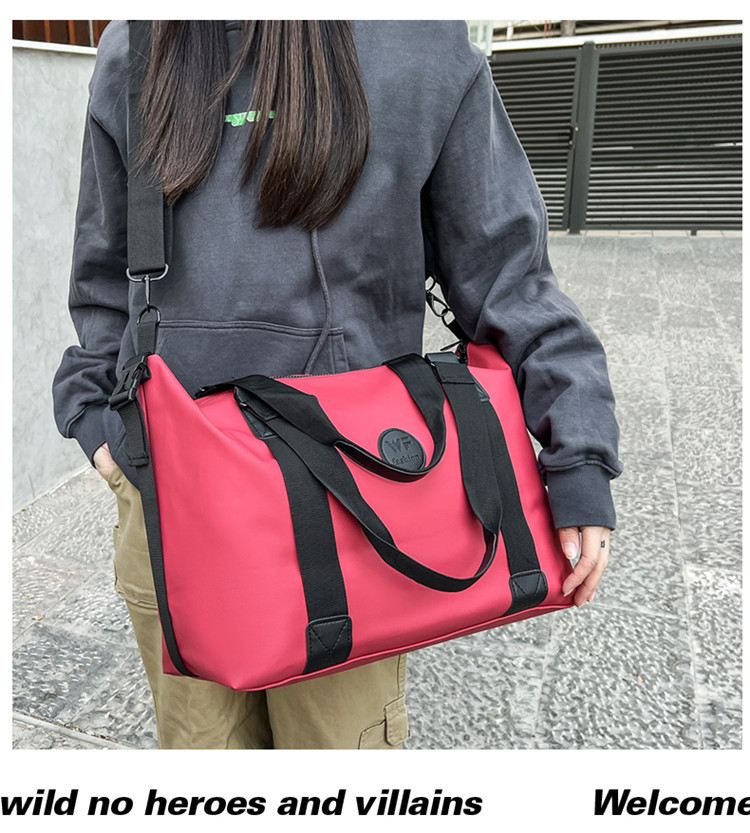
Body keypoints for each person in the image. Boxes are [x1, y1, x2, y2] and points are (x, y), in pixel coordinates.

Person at [52, 20, 621, 750]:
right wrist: (98, 420)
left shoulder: (418, 43)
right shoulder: (139, 44)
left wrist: (578, 454)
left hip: (351, 504)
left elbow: (508, 277)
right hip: (171, 497)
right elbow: (105, 274)